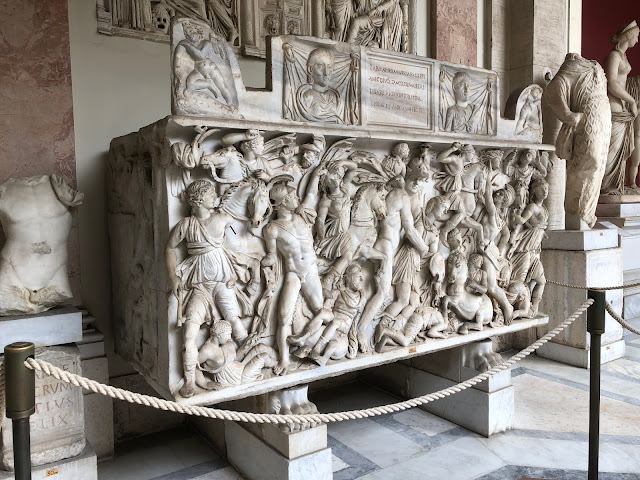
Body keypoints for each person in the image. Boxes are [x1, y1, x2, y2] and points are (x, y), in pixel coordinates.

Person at [166, 180, 249, 398]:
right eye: (211, 194)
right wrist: (173, 277)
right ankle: (190, 382)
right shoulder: (186, 225)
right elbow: (169, 248)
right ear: (198, 199)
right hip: (200, 288)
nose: (215, 197)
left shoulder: (222, 218)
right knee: (189, 335)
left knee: (235, 322)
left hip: (222, 284)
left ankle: (246, 361)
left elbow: (245, 226)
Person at [262, 165, 330, 375]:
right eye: (292, 196)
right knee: (283, 316)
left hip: (310, 269)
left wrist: (316, 175)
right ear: (283, 202)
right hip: (293, 273)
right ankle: (284, 359)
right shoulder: (272, 229)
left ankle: (308, 340)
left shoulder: (303, 216)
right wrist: (262, 263)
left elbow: (311, 194)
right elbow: (271, 255)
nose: (296, 198)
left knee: (322, 311)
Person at [544, 53, 611, 229]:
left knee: (599, 165)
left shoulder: (594, 66)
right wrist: (567, 115)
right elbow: (553, 89)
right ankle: (577, 211)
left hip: (604, 118)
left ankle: (587, 213)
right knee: (589, 160)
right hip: (587, 118)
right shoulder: (573, 64)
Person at [601, 20, 639, 195]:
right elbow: (612, 84)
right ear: (628, 36)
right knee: (613, 148)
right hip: (614, 106)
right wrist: (631, 101)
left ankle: (615, 186)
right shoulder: (614, 56)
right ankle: (606, 187)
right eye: (636, 36)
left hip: (622, 108)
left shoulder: (623, 56)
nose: (637, 40)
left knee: (621, 151)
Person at [296, 48, 344, 124]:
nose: (326, 73)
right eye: (321, 66)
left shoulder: (335, 97)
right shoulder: (307, 96)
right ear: (310, 69)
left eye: (329, 67)